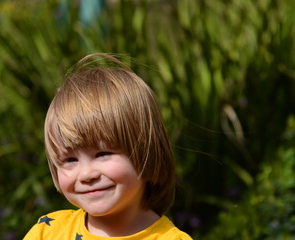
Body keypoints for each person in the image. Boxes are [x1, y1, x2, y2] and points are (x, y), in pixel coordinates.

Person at [23, 53, 192, 240]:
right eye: (70, 159)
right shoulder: (48, 233)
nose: (87, 174)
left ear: (147, 152)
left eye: (102, 154)